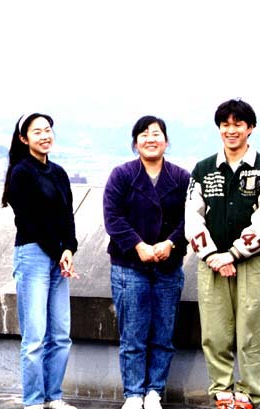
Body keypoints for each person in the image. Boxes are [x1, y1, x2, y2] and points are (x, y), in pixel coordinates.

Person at [184, 99, 260, 409]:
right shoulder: (203, 169)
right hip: (211, 263)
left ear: (250, 128)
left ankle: (248, 394)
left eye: (238, 124)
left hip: (250, 262)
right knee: (214, 332)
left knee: (250, 332)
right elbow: (192, 217)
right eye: (225, 124)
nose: (231, 130)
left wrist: (234, 253)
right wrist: (212, 255)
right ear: (219, 128)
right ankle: (221, 392)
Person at [103, 116, 190, 409]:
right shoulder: (122, 175)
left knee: (164, 334)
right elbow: (112, 217)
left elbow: (191, 218)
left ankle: (154, 391)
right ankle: (133, 393)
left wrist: (170, 243)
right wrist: (138, 245)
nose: (150, 139)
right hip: (129, 266)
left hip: (168, 265)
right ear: (135, 142)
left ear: (166, 141)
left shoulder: (181, 177)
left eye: (156, 134)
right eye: (143, 134)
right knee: (133, 335)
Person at [2, 113, 79, 409]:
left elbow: (67, 216)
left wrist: (69, 248)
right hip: (33, 255)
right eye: (37, 132)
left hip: (59, 257)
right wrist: (59, 254)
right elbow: (29, 221)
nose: (45, 136)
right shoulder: (21, 173)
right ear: (24, 138)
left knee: (60, 335)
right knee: (34, 338)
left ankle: (53, 396)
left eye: (48, 130)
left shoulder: (58, 172)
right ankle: (33, 401)